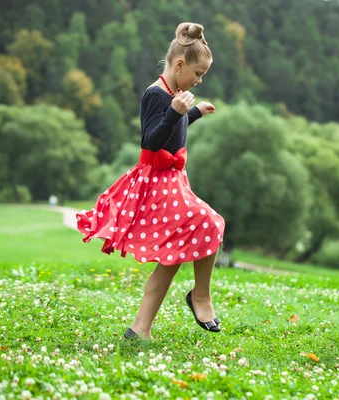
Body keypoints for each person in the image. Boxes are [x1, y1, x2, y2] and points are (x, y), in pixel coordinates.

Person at [76, 22, 225, 338]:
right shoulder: (156, 95)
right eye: (197, 74)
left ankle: (139, 329)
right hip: (156, 183)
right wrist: (175, 112)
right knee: (209, 222)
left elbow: (176, 127)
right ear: (180, 64)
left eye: (203, 76)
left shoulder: (175, 95)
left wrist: (193, 113)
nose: (199, 80)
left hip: (173, 180)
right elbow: (151, 141)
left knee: (174, 254)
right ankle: (200, 296)